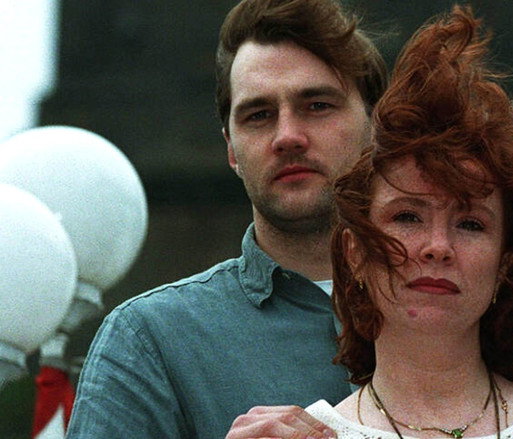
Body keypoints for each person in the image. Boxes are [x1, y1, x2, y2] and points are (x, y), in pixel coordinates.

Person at [230, 5, 513, 439]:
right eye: (407, 217)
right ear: (354, 254)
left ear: (505, 263)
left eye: (470, 224)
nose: (437, 246)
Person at [65, 0, 387, 438]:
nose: (287, 136)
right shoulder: (149, 340)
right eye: (259, 115)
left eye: (317, 105)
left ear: (376, 127)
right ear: (232, 150)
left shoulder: (459, 315)